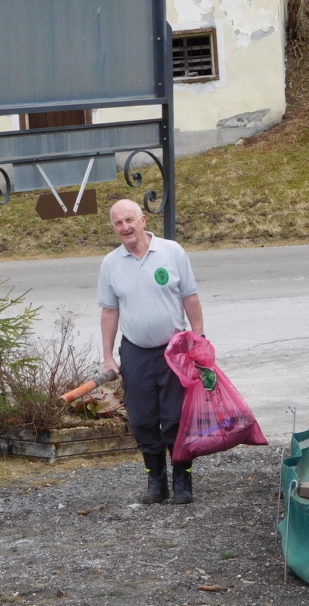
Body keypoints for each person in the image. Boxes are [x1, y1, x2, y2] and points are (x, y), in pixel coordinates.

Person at [98, 199, 204, 504]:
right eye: (118, 223)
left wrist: (198, 339)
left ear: (143, 220)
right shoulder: (111, 264)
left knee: (174, 419)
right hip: (136, 353)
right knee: (143, 419)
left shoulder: (172, 252)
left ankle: (183, 480)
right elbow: (109, 311)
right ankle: (155, 481)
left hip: (175, 351)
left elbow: (191, 298)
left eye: (129, 220)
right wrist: (108, 356)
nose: (125, 227)